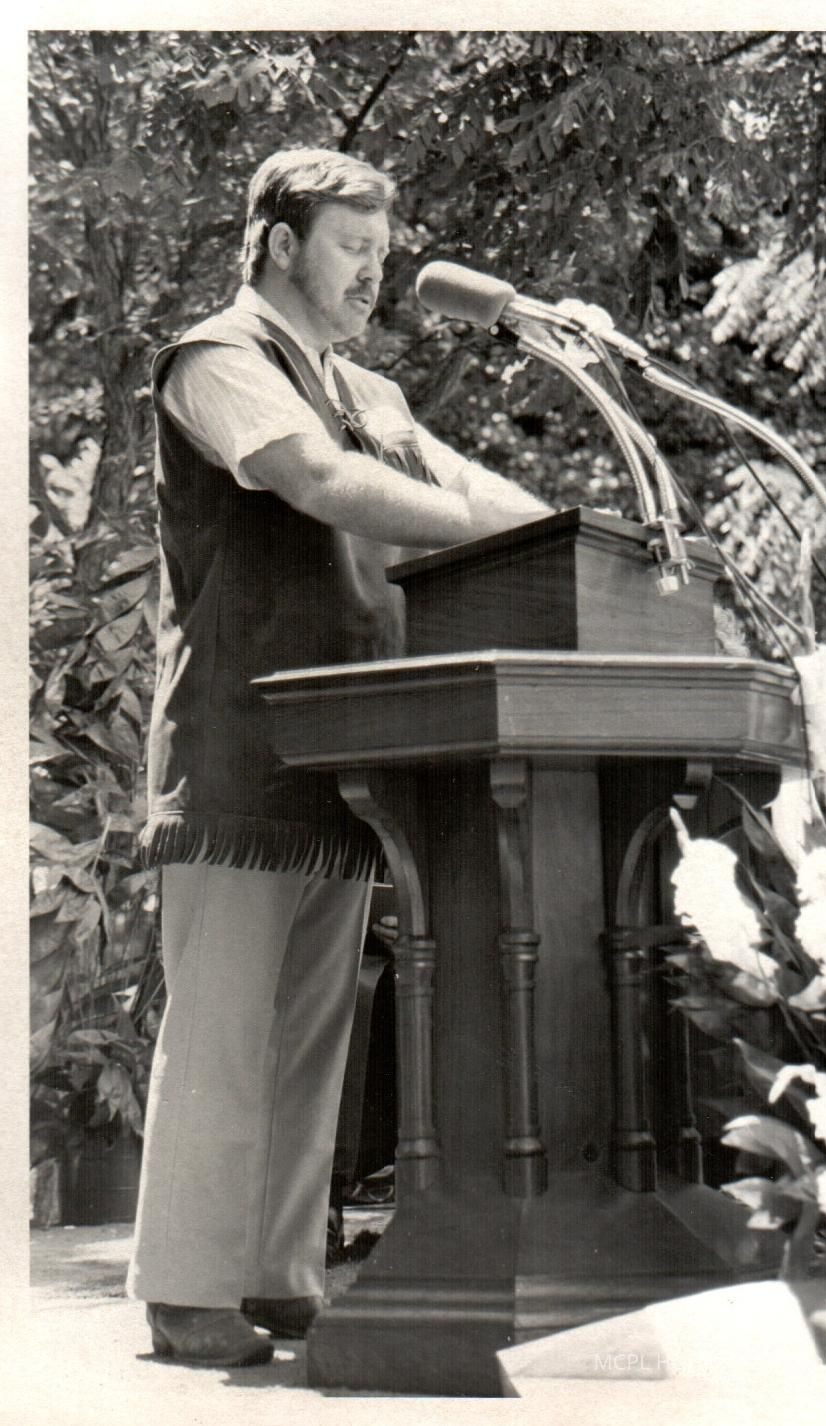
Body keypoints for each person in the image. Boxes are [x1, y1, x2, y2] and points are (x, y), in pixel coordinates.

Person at [126, 147, 548, 1368]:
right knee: (223, 1023)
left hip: (347, 748)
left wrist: (572, 533)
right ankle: (185, 1287)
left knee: (311, 1030)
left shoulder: (366, 387)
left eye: (381, 250)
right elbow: (311, 479)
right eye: (353, 248)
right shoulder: (216, 358)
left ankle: (276, 1274)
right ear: (278, 244)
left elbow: (463, 486)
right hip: (239, 743)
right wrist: (475, 521)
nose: (375, 273)